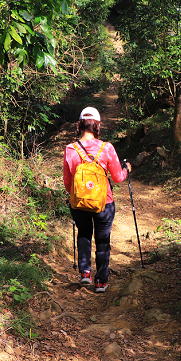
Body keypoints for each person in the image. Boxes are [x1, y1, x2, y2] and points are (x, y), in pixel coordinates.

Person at [63, 107, 131, 293]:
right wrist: (127, 170)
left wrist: (75, 197)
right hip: (104, 203)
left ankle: (85, 272)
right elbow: (117, 177)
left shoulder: (71, 149)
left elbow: (67, 181)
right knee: (102, 241)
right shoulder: (106, 148)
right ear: (97, 126)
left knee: (84, 234)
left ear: (80, 125)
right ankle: (101, 282)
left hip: (78, 203)